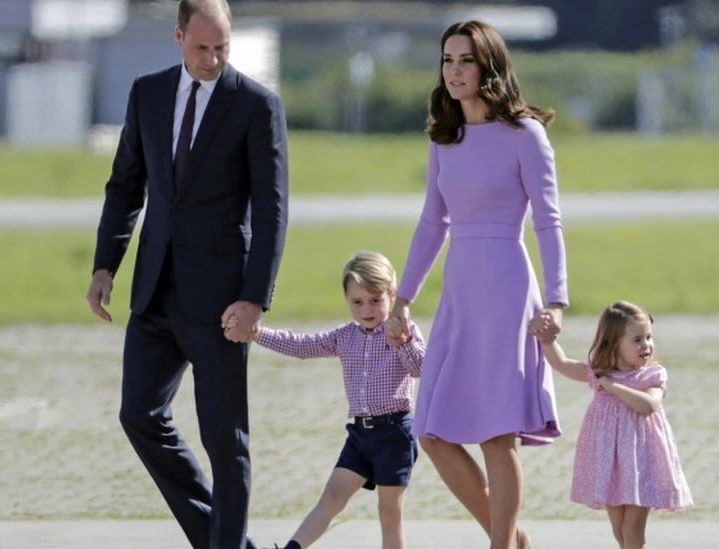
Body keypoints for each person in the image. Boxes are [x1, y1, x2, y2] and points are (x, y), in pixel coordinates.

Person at [85, 0, 288, 546]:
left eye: (222, 46)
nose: (214, 58)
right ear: (178, 37)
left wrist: (254, 298)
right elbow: (125, 185)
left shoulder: (255, 105)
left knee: (226, 440)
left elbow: (271, 211)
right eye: (202, 47)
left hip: (222, 301)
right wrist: (106, 264)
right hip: (154, 292)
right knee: (139, 415)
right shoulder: (147, 93)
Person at [386, 20, 568, 549]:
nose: (454, 70)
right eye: (447, 60)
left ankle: (499, 544)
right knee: (433, 431)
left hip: (508, 290)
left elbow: (548, 221)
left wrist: (557, 301)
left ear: (489, 66)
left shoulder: (525, 135)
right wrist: (403, 298)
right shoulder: (444, 137)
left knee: (496, 433)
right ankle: (513, 538)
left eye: (465, 60)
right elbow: (431, 222)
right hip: (460, 294)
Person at [250, 251, 425, 549]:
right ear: (346, 299)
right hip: (360, 435)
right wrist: (256, 334)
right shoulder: (345, 336)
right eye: (357, 302)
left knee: (389, 510)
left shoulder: (403, 331)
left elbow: (421, 368)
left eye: (375, 300)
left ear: (392, 296)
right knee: (332, 496)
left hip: (394, 433)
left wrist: (403, 342)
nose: (366, 309)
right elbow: (302, 346)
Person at [534, 301, 693, 549]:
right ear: (613, 343)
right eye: (637, 339)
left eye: (648, 337)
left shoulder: (652, 375)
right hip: (611, 464)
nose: (646, 345)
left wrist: (613, 387)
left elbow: (650, 404)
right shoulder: (599, 372)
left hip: (642, 463)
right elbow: (563, 364)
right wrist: (547, 340)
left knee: (632, 529)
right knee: (620, 530)